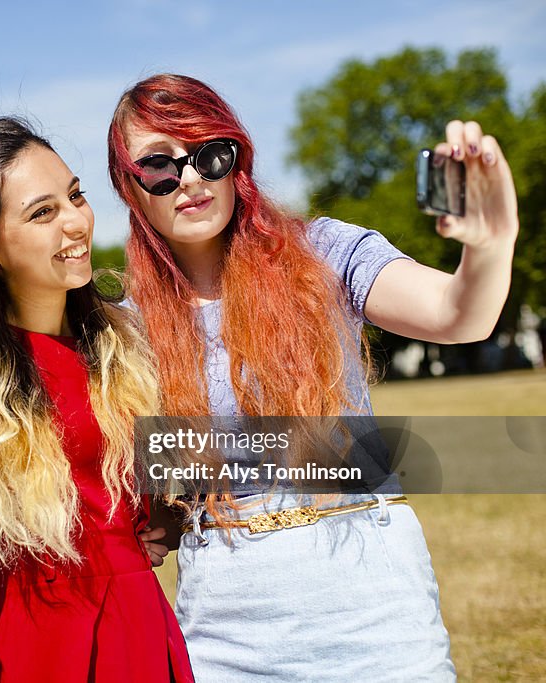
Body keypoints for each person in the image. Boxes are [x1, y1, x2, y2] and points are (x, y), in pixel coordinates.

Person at [106, 73, 518, 680]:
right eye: (159, 165)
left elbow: (460, 315)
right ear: (129, 185)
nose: (189, 179)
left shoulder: (325, 252)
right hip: (226, 626)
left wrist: (490, 243)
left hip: (374, 600)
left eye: (208, 155)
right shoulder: (125, 328)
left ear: (236, 160)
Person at [0, 117, 194, 682]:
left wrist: (171, 517)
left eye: (75, 196)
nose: (76, 222)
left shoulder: (124, 345)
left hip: (142, 625)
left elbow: (149, 490)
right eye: (42, 212)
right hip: (34, 645)